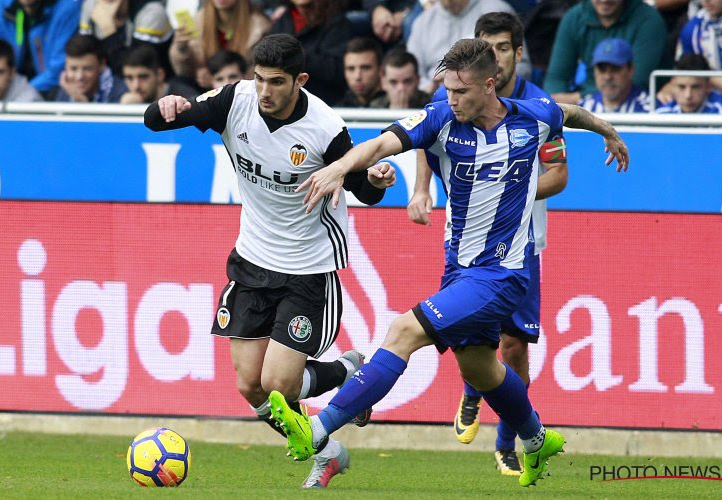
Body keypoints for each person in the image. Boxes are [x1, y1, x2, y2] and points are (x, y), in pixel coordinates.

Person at [268, 37, 629, 488]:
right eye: (448, 89)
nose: (450, 98)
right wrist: (342, 168)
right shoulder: (440, 119)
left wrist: (607, 131)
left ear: (489, 85)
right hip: (459, 268)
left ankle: (318, 428)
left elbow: (570, 115)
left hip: (503, 274)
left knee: (403, 330)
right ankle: (537, 440)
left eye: (460, 91)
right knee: (479, 368)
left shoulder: (532, 118)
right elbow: (382, 144)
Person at [144, 34, 395, 490]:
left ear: (299, 80)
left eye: (276, 82)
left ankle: (351, 372)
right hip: (252, 260)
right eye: (259, 79)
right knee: (250, 386)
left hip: (308, 268)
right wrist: (164, 107)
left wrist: (378, 179)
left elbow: (364, 190)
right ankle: (328, 451)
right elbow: (157, 122)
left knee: (278, 383)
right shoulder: (234, 100)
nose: (264, 91)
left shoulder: (325, 127)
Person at [408, 11, 569, 476]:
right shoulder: (453, 98)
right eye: (487, 47)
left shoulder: (539, 107)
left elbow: (558, 174)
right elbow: (425, 138)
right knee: (477, 345)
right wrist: (421, 190)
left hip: (523, 244)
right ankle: (474, 387)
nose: (494, 57)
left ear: (517, 53)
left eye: (502, 48)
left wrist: (508, 192)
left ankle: (507, 442)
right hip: (470, 246)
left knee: (515, 347)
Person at [543, 0, 667, 104]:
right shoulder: (573, 17)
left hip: (638, 105)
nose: (604, 0)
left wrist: (580, 98)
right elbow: (556, 78)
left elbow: (637, 79)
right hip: (585, 104)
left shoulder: (649, 20)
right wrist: (555, 104)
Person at [407, 0, 527, 93]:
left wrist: (475, 83)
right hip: (432, 98)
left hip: (485, 96)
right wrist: (428, 88)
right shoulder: (423, 21)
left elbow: (523, 66)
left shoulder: (496, 9)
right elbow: (411, 73)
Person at [169, 0, 270, 90]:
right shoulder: (197, 22)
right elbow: (183, 72)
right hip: (205, 90)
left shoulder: (259, 27)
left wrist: (246, 77)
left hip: (245, 89)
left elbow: (266, 68)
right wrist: (181, 48)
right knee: (178, 82)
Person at [270, 0, 354, 106]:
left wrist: (296, 55)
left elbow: (337, 70)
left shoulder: (336, 22)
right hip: (283, 104)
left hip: (323, 104)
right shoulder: (283, 20)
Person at [674, 0, 722, 107]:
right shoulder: (693, 28)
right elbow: (683, 77)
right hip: (708, 108)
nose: (706, 1)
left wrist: (703, 77)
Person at [0, 0, 80, 96]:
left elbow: (57, 70)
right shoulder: (3, 6)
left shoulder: (67, 8)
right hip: (9, 87)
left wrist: (23, 92)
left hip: (51, 90)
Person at [78, 0, 173, 76]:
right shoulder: (90, 5)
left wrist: (108, 30)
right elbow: (81, 56)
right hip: (105, 84)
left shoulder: (152, 12)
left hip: (157, 92)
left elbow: (134, 72)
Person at [579, 38, 649, 112]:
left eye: (615, 69)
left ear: (631, 70)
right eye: (602, 70)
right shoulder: (584, 107)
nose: (607, 77)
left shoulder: (649, 109)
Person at [55, 34, 127, 103]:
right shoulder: (66, 88)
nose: (79, 77)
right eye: (73, 69)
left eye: (87, 69)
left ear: (102, 65)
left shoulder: (120, 92)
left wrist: (82, 103)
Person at [656, 53, 722, 113]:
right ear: (672, 85)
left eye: (695, 87)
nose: (688, 95)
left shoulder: (721, 113)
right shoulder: (662, 114)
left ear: (708, 87)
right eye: (681, 87)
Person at [120, 45, 198, 103]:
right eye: (129, 78)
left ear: (160, 75)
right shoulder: (123, 97)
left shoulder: (186, 98)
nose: (136, 86)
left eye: (143, 77)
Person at [337, 37, 385, 107]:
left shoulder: (396, 108)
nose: (357, 77)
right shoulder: (336, 111)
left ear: (381, 70)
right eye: (351, 69)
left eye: (365, 68)